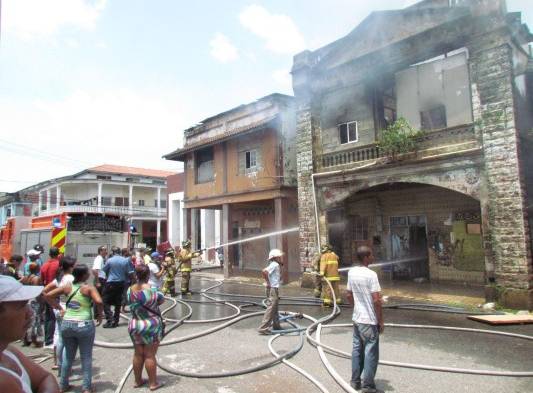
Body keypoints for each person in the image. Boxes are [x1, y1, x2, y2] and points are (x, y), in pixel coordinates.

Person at [45, 264, 103, 393]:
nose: (89, 274)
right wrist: (100, 315)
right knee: (86, 356)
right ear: (84, 275)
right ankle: (86, 387)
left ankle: (63, 385)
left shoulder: (67, 287)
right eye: (87, 273)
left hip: (67, 323)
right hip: (84, 324)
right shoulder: (88, 288)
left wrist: (59, 308)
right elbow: (99, 301)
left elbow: (47, 295)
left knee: (68, 357)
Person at [0, 275, 60, 393]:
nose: (30, 312)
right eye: (22, 305)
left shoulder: (8, 351)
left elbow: (45, 378)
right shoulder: (3, 383)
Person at [346, 246, 384, 393]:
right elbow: (376, 300)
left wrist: (356, 308)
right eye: (371, 255)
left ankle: (355, 381)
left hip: (357, 319)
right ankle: (368, 386)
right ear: (366, 257)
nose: (373, 257)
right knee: (370, 352)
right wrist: (380, 321)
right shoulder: (371, 275)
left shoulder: (351, 272)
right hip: (369, 321)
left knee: (357, 349)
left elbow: (349, 295)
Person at [127, 264, 165, 391]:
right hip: (150, 325)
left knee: (138, 354)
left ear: (136, 275)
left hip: (135, 323)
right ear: (148, 275)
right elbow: (160, 301)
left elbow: (129, 302)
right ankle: (153, 383)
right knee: (149, 355)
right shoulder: (153, 291)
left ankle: (137, 381)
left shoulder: (129, 290)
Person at [43, 257, 76, 374]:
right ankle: (65, 367)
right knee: (69, 340)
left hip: (59, 310)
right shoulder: (72, 279)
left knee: (59, 336)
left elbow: (44, 292)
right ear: (71, 266)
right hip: (68, 310)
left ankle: (56, 363)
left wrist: (56, 306)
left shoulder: (59, 278)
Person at [102, 246, 135, 328]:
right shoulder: (125, 260)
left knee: (105, 301)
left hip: (111, 283)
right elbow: (130, 273)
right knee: (118, 303)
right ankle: (116, 321)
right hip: (121, 283)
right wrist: (133, 282)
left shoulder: (109, 260)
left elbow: (104, 271)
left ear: (113, 252)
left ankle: (110, 319)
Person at [257, 249, 284, 335]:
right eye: (280, 257)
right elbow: (264, 271)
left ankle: (276, 326)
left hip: (274, 288)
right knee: (271, 308)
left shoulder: (275, 264)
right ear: (275, 258)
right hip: (272, 289)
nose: (281, 258)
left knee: (275, 308)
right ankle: (263, 328)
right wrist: (268, 283)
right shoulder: (275, 264)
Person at [40, 247, 61, 346]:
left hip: (46, 291)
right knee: (54, 317)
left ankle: (47, 339)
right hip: (55, 293)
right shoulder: (58, 265)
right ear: (58, 254)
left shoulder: (44, 265)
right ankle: (51, 340)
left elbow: (41, 280)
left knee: (48, 316)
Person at [20, 263, 44, 347]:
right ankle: (34, 340)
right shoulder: (37, 278)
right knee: (34, 320)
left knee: (28, 319)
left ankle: (26, 340)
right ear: (36, 269)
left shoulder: (26, 277)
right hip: (35, 300)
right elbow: (38, 292)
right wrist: (41, 302)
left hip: (27, 299)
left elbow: (20, 284)